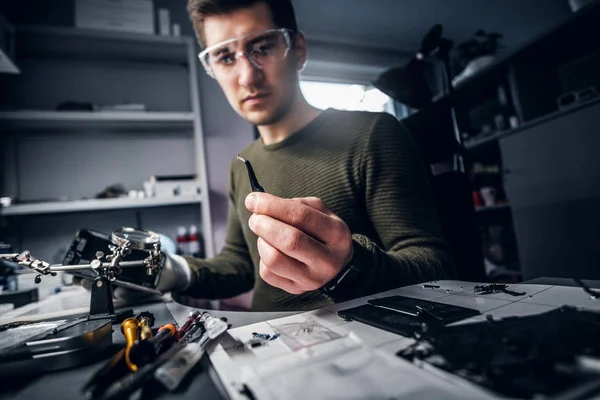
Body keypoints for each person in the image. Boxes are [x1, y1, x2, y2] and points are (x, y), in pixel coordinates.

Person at [106, 0, 455, 311]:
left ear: (298, 50)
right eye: (225, 57)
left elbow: (436, 266)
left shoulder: (374, 134)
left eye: (262, 47)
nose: (247, 76)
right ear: (211, 67)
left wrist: (350, 266)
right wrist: (173, 271)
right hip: (266, 349)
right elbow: (240, 265)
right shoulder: (241, 163)